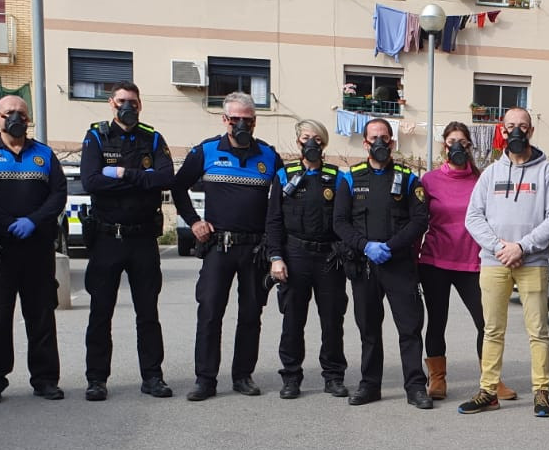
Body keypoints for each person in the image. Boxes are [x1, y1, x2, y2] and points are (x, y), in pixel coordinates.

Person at [173, 92, 279, 401]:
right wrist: (193, 221)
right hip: (218, 247)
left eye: (248, 120)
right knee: (209, 313)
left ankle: (242, 376)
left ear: (255, 121)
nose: (242, 125)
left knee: (250, 315)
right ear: (225, 120)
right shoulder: (205, 151)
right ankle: (205, 379)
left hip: (254, 249)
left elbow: (282, 203)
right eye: (237, 120)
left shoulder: (268, 156)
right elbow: (178, 188)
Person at [460, 106, 549, 418]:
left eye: (523, 126)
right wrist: (499, 247)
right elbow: (473, 217)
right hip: (494, 263)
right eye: (510, 126)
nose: (516, 131)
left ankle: (541, 393)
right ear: (501, 132)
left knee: (538, 330)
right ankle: (488, 391)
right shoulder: (491, 173)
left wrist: (522, 246)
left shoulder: (547, 172)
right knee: (492, 329)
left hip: (533, 262)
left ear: (531, 131)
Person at [0, 95, 66, 404]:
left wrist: (33, 221)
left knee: (41, 316)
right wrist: (7, 223)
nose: (16, 118)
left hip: (36, 250)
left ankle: (46, 379)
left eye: (21, 113)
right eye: (10, 113)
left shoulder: (45, 155)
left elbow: (58, 195)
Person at [79, 81, 175, 401]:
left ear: (140, 105)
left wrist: (120, 174)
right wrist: (140, 181)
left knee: (148, 312)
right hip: (107, 237)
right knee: (100, 312)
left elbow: (164, 179)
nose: (128, 107)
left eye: (133, 102)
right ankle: (96, 379)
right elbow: (91, 181)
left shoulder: (153, 137)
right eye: (122, 101)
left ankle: (152, 376)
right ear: (111, 103)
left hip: (143, 239)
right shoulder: (96, 136)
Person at [333, 118, 433, 408]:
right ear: (365, 143)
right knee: (369, 329)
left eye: (385, 137)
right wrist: (365, 246)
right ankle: (370, 385)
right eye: (374, 137)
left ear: (392, 142)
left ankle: (415, 387)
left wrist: (390, 246)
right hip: (365, 265)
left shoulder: (409, 178)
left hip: (399, 264)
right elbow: (339, 222)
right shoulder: (350, 178)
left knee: (410, 328)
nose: (380, 142)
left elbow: (419, 219)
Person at [416, 123, 513, 403]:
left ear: (470, 146)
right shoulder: (430, 180)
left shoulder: (482, 179)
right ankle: (437, 379)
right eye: (451, 141)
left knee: (486, 323)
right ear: (444, 146)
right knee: (436, 322)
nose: (457, 146)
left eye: (462, 141)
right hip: (435, 261)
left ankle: (491, 381)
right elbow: (418, 220)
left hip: (474, 262)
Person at [265, 118, 348, 399]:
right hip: (295, 254)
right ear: (298, 141)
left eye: (317, 138)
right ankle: (291, 377)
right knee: (292, 320)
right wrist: (276, 257)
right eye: (305, 137)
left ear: (324, 144)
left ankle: (334, 376)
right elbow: (273, 220)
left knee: (332, 320)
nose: (311, 143)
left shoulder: (337, 177)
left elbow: (345, 221)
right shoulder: (283, 176)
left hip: (328, 258)